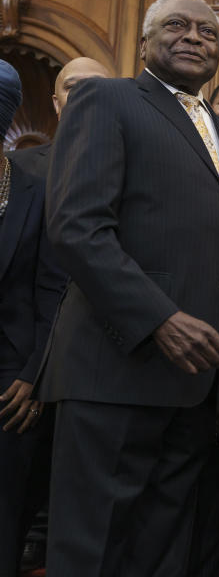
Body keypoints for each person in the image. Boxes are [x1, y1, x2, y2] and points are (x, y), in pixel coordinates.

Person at [40, 0, 219, 576]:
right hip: (116, 367)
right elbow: (78, 228)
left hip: (195, 384)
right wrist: (159, 318)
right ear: (144, 41)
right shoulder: (105, 100)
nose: (194, 37)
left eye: (208, 31)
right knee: (94, 548)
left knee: (163, 551)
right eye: (177, 25)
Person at [0, 61, 67, 577]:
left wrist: (36, 376)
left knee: (8, 511)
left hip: (13, 379)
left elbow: (52, 290)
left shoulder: (33, 187)